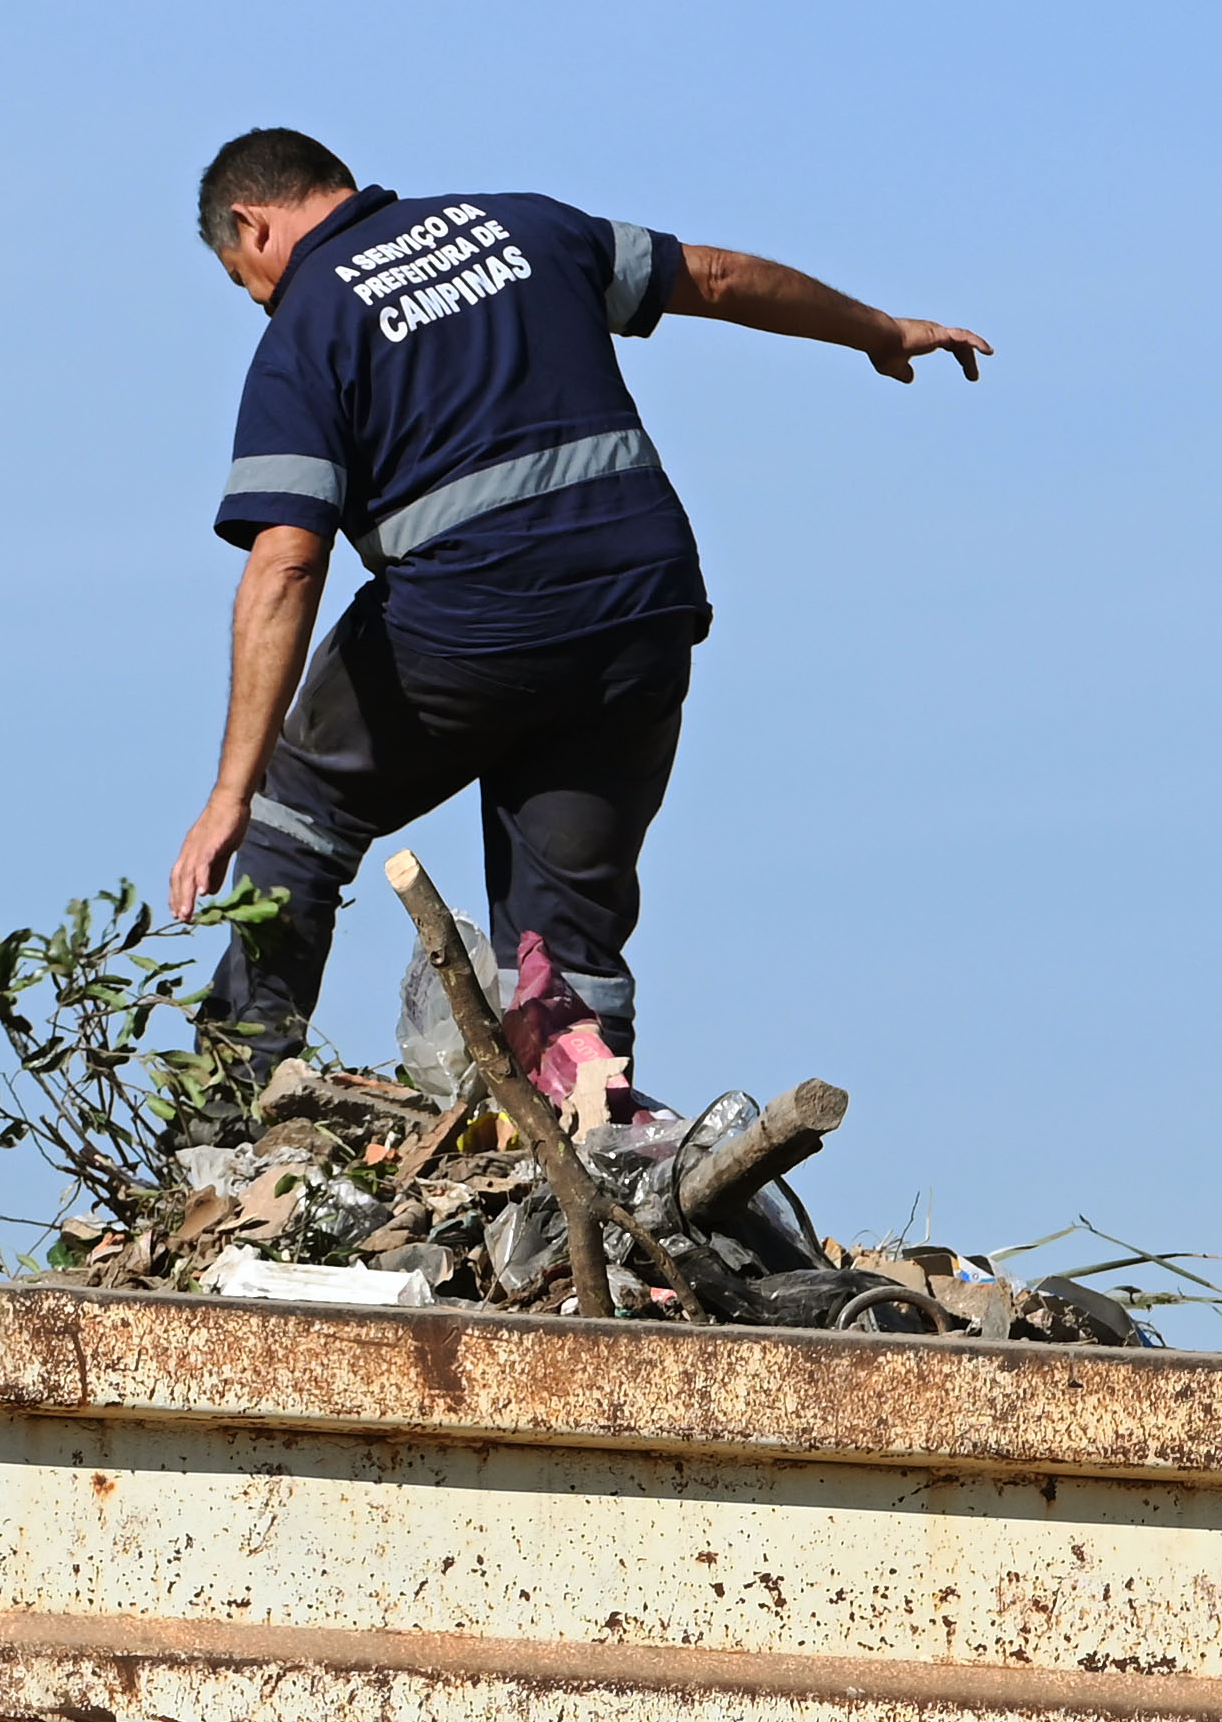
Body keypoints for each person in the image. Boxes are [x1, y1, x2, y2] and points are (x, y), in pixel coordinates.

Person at [171, 127, 987, 1118]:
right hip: (635, 614)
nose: (260, 298)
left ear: (253, 223)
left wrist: (230, 792)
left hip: (464, 627)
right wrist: (878, 330)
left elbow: (287, 563)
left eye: (243, 277)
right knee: (564, 946)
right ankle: (589, 1149)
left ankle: (233, 1108)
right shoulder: (525, 227)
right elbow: (721, 278)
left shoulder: (310, 324)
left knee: (293, 814)